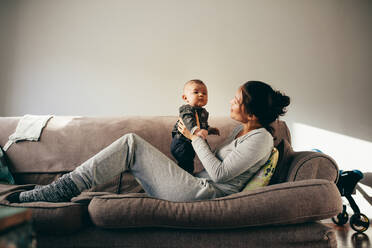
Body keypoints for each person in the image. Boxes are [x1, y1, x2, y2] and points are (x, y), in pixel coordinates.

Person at [9, 81, 290, 203]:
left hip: (204, 194)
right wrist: (198, 137)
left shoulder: (261, 139)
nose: (231, 101)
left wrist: (195, 138)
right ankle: (63, 187)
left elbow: (219, 174)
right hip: (196, 184)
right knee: (131, 146)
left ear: (251, 113)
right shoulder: (241, 132)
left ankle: (61, 190)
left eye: (237, 100)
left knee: (131, 144)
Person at [170, 79, 220, 174]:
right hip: (181, 143)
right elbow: (188, 121)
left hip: (191, 143)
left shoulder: (204, 113)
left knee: (193, 161)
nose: (201, 95)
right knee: (186, 163)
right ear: (185, 98)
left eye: (204, 93)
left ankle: (189, 176)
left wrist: (210, 130)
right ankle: (183, 178)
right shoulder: (186, 109)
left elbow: (203, 127)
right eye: (196, 92)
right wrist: (196, 131)